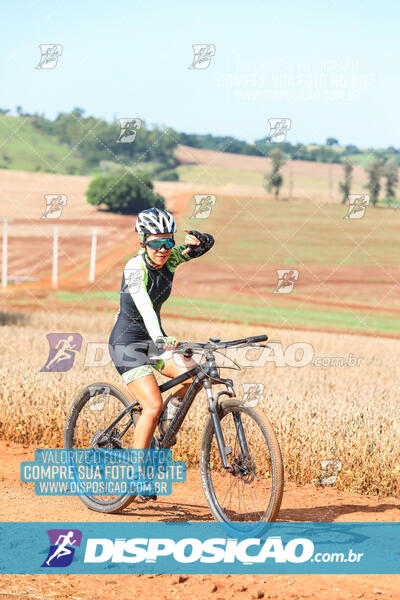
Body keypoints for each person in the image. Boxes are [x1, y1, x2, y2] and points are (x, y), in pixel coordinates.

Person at [108, 207, 214, 452]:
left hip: (154, 342)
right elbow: (145, 308)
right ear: (143, 241)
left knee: (197, 376)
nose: (163, 249)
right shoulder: (135, 268)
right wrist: (160, 337)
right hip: (127, 343)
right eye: (156, 244)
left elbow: (203, 247)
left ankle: (166, 426)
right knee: (153, 406)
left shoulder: (172, 257)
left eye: (168, 242)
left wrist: (202, 239)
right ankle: (136, 474)